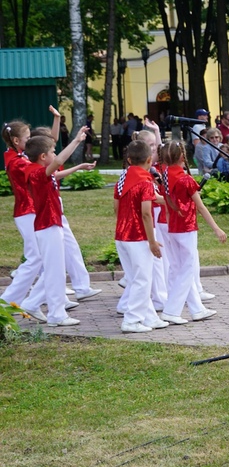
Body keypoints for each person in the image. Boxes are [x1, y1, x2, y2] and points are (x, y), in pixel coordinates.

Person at [1, 107, 81, 310]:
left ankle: (44, 300)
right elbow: (51, 155)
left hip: (32, 211)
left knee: (44, 259)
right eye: (28, 138)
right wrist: (76, 141)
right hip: (28, 211)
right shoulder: (19, 162)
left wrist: (56, 119)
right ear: (18, 141)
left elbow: (48, 145)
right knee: (38, 257)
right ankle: (11, 300)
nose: (32, 140)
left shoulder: (20, 156)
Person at [21, 127, 95, 326]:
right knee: (55, 272)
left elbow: (57, 175)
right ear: (43, 156)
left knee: (55, 269)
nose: (55, 155)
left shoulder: (40, 171)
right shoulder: (36, 172)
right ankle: (56, 315)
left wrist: (78, 167)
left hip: (51, 224)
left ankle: (32, 303)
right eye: (52, 152)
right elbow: (59, 162)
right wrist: (77, 141)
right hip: (47, 226)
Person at [160, 141, 226, 325]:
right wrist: (217, 228)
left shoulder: (165, 174)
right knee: (187, 270)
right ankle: (172, 311)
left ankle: (197, 309)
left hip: (173, 226)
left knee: (181, 267)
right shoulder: (186, 179)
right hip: (186, 228)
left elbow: (166, 202)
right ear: (183, 157)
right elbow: (201, 207)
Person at [113, 140, 168, 333]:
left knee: (136, 276)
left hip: (121, 234)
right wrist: (151, 241)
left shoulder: (124, 177)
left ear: (129, 159)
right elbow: (146, 212)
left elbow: (116, 207)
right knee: (143, 279)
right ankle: (132, 320)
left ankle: (149, 317)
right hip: (138, 236)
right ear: (149, 159)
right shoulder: (145, 181)